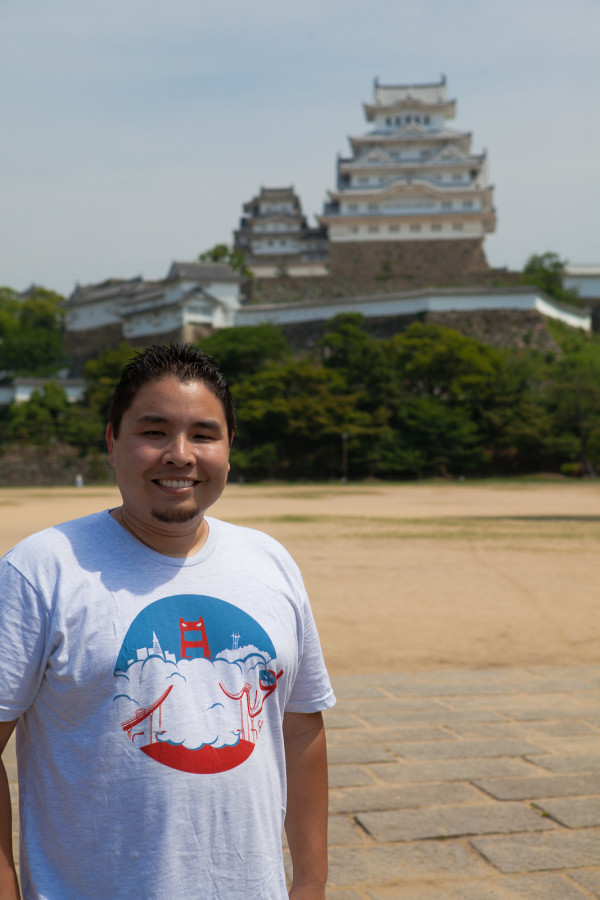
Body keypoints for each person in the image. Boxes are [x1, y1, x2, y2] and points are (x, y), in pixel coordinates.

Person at [0, 343, 335, 900]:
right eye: (154, 432)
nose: (180, 455)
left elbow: (300, 729)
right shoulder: (42, 568)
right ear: (111, 441)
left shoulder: (269, 561)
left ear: (229, 449)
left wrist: (311, 882)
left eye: (204, 434)